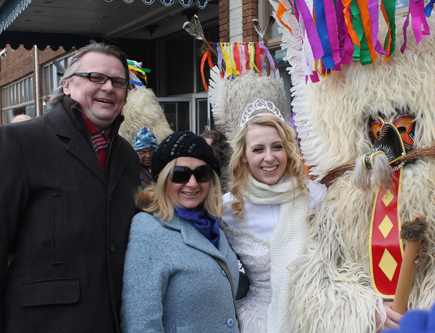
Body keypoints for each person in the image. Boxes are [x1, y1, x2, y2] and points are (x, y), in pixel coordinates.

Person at [0, 43, 140, 333]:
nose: (108, 88)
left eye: (118, 82)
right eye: (96, 77)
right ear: (66, 86)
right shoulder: (21, 141)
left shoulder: (127, 155)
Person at [222, 98, 327, 332]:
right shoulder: (227, 209)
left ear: (288, 150)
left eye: (277, 147)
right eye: (258, 149)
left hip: (315, 317)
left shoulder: (316, 197)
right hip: (258, 322)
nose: (269, 157)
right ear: (243, 155)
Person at [121, 131, 240, 332]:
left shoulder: (213, 223)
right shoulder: (149, 228)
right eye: (180, 174)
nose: (192, 183)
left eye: (201, 174)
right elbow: (141, 323)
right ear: (163, 179)